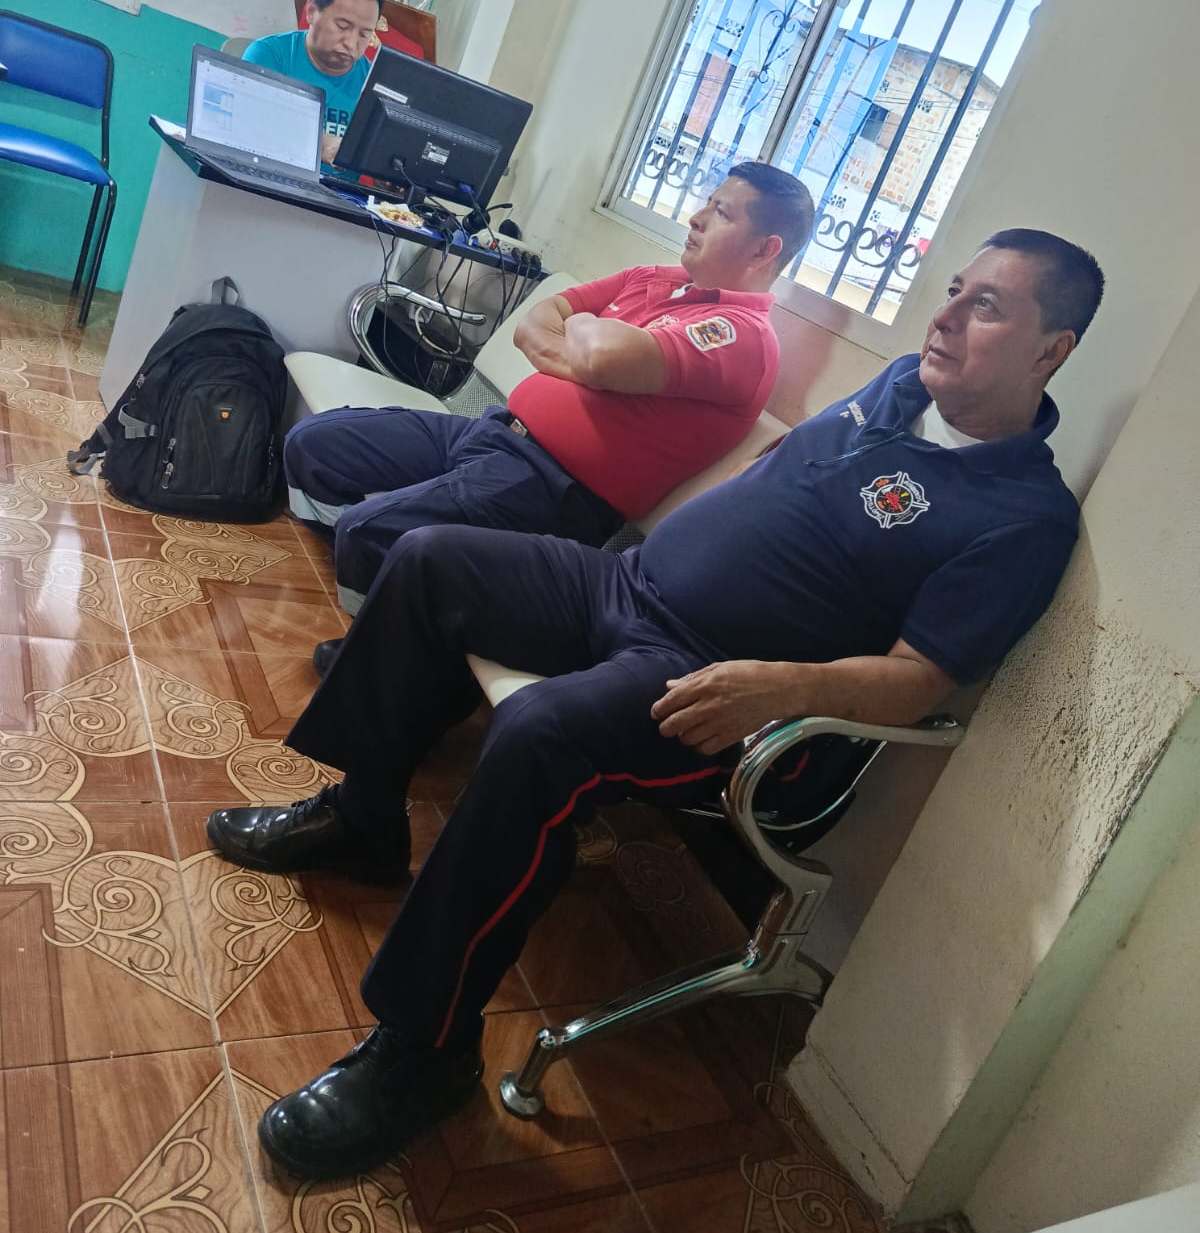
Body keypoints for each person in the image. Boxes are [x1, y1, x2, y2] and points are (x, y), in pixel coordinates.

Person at [206, 226, 1104, 1182]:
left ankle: (425, 1050)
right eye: (955, 289)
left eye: (986, 306)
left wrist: (784, 683)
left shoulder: (1023, 518)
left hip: (725, 684)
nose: (947, 316)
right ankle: (364, 817)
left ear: (1052, 350)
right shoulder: (899, 388)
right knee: (431, 560)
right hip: (627, 587)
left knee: (539, 732)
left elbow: (921, 679)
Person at [286, 162, 815, 663]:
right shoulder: (654, 277)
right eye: (707, 202)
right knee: (313, 443)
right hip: (494, 431)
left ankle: (379, 647)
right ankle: (385, 595)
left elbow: (599, 354)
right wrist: (586, 352)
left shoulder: (740, 335)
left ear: (765, 249)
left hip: (551, 489)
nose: (696, 218)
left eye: (721, 213)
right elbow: (534, 324)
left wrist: (588, 335)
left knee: (368, 528)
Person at [243, 0, 385, 164]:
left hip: (338, 186)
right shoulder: (270, 55)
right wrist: (322, 144)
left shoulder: (373, 85)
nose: (351, 43)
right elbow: (251, 125)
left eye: (364, 34)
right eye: (342, 26)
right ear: (311, 11)